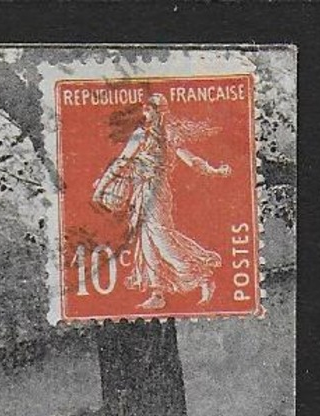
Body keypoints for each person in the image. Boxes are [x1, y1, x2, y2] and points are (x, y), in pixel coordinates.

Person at [90, 92, 231, 310]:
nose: (145, 113)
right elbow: (121, 163)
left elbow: (190, 159)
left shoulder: (167, 134)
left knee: (161, 238)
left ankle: (200, 276)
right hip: (140, 190)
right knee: (146, 241)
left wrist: (214, 171)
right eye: (145, 109)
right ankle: (157, 292)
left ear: (159, 112)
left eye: (150, 109)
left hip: (155, 191)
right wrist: (101, 189)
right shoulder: (142, 134)